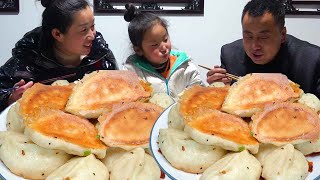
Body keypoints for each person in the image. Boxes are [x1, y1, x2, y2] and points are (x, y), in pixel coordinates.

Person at [0, 0, 118, 112]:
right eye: (84, 30)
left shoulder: (100, 55)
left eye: (93, 26)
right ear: (58, 34)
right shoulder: (29, 58)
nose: (92, 35)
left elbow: (116, 91)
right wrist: (10, 98)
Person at [206, 0, 320, 98]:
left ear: (283, 35)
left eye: (264, 37)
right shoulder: (230, 56)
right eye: (248, 36)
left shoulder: (311, 61)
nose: (255, 46)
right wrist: (218, 89)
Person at [122, 4, 203, 99]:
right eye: (154, 45)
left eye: (165, 40)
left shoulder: (186, 67)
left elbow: (198, 94)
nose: (164, 48)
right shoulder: (132, 73)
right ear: (138, 50)